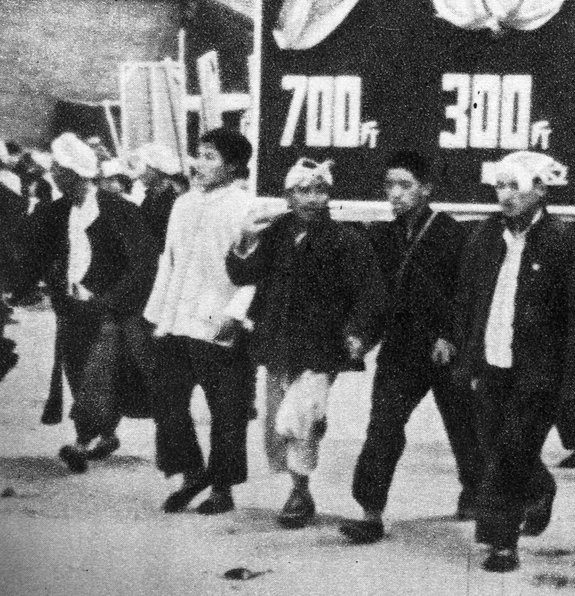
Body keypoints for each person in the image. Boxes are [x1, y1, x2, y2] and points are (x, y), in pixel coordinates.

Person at [226, 157, 385, 528]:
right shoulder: (276, 232)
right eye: (303, 191)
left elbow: (371, 293)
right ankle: (300, 489)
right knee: (288, 420)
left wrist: (359, 332)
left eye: (320, 190)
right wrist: (244, 240)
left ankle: (299, 490)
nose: (313, 198)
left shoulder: (348, 239)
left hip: (322, 345)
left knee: (298, 415)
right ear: (288, 196)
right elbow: (242, 274)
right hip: (277, 342)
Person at [454, 151, 575, 573]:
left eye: (516, 186)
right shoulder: (482, 237)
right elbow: (467, 300)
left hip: (539, 371)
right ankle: (542, 488)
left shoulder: (566, 241)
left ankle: (501, 541)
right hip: (491, 362)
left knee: (511, 452)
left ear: (541, 190)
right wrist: (465, 356)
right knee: (494, 444)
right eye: (500, 186)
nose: (506, 195)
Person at [339, 150, 481, 544]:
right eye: (390, 186)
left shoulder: (451, 232)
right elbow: (375, 296)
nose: (396, 194)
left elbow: (465, 293)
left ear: (426, 189)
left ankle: (474, 491)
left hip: (445, 349)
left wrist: (450, 335)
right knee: (383, 426)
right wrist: (361, 336)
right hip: (400, 350)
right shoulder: (383, 236)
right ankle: (370, 512)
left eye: (405, 186)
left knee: (464, 427)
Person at [11, 132, 157, 471]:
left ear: (73, 174)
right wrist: (20, 288)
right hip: (72, 307)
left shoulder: (119, 210)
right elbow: (34, 254)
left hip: (111, 309)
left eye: (58, 171)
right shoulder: (57, 212)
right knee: (78, 371)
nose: (53, 177)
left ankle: (81, 441)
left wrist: (115, 300)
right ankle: (104, 434)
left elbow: (144, 262)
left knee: (99, 371)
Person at [143, 129, 257, 515]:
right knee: (167, 400)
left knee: (227, 409)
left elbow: (255, 271)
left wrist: (237, 314)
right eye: (199, 155)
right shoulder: (183, 204)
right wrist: (158, 315)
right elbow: (169, 261)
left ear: (234, 166)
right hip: (177, 319)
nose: (200, 164)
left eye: (211, 157)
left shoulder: (246, 208)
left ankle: (222, 488)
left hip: (218, 320)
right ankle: (191, 472)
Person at [137, 142, 187, 251]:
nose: (138, 173)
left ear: (156, 169)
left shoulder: (176, 197)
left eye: (143, 166)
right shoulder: (150, 197)